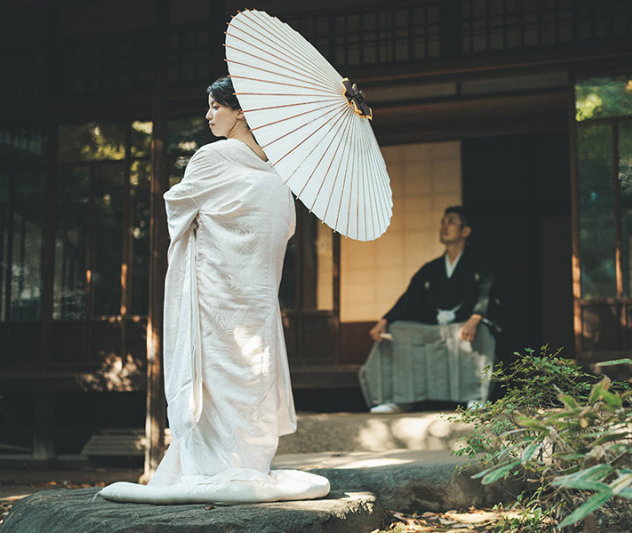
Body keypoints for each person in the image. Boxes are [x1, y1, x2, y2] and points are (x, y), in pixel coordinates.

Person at [97, 77, 329, 504]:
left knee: (217, 374)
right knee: (253, 374)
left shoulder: (213, 158)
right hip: (257, 300)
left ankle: (211, 466)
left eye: (215, 106)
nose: (208, 115)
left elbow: (178, 208)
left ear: (240, 111)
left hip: (217, 294)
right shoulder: (280, 174)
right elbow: (282, 231)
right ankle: (248, 464)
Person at [360, 206, 496, 414]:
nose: (443, 226)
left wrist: (475, 318)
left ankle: (476, 396)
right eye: (442, 222)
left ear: (465, 231)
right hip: (436, 329)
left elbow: (486, 293)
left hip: (463, 328)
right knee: (395, 332)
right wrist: (385, 321)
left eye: (450, 222)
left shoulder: (479, 264)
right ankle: (397, 398)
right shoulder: (431, 269)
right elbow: (409, 298)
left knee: (482, 334)